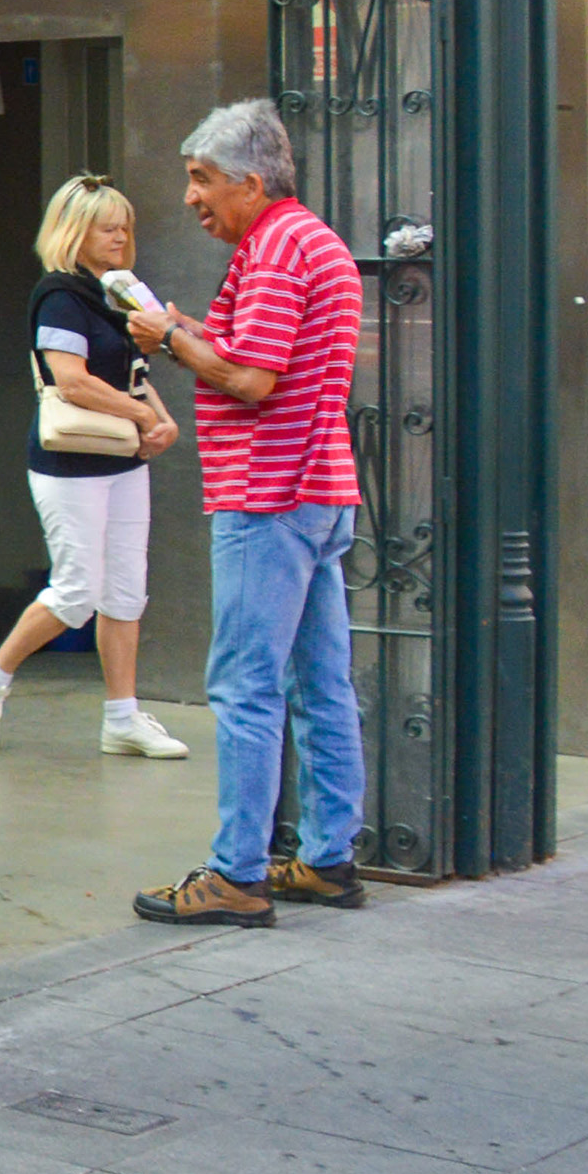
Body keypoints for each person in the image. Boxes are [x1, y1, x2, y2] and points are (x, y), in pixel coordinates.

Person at [124, 101, 366, 929]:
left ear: (250, 182)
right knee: (322, 685)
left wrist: (166, 342)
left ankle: (236, 873)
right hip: (320, 487)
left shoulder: (272, 251)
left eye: (202, 181)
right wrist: (187, 328)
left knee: (246, 687)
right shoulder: (316, 243)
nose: (191, 198)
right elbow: (265, 360)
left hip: (268, 494)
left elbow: (251, 380)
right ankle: (329, 857)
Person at [0, 176, 193, 763]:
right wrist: (142, 417)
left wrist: (160, 422)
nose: (120, 236)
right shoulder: (60, 296)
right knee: (77, 589)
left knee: (125, 590)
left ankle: (122, 716)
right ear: (74, 232)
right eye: (107, 226)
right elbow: (71, 379)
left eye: (125, 225)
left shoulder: (117, 293)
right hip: (70, 463)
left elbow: (135, 373)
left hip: (121, 461)